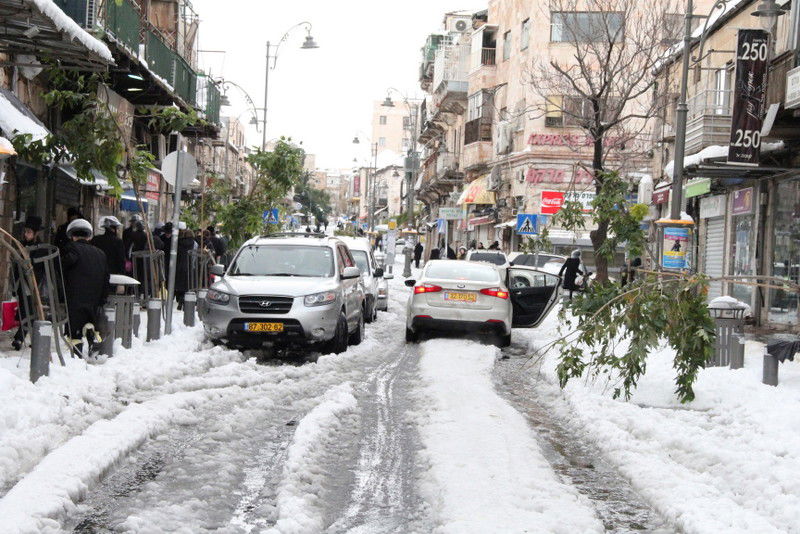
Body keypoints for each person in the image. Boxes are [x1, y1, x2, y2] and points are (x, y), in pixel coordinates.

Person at [60, 219, 109, 357]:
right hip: (95, 300)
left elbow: (63, 267)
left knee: (74, 332)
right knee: (91, 327)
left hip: (75, 299)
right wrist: (102, 299)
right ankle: (94, 347)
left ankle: (77, 358)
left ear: (72, 236)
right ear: (88, 236)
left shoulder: (71, 248)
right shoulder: (101, 254)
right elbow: (106, 279)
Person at [11, 216, 45, 350]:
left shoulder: (40, 248)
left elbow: (40, 268)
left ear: (36, 233)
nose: (26, 234)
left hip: (34, 285)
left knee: (31, 313)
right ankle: (28, 338)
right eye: (25, 231)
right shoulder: (21, 245)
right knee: (26, 312)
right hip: (22, 285)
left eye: (29, 232)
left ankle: (21, 338)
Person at [172, 222, 197, 310]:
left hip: (179, 266)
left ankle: (180, 299)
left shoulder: (178, 242)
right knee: (187, 285)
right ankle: (184, 301)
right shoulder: (194, 243)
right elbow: (194, 256)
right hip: (189, 266)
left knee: (180, 284)